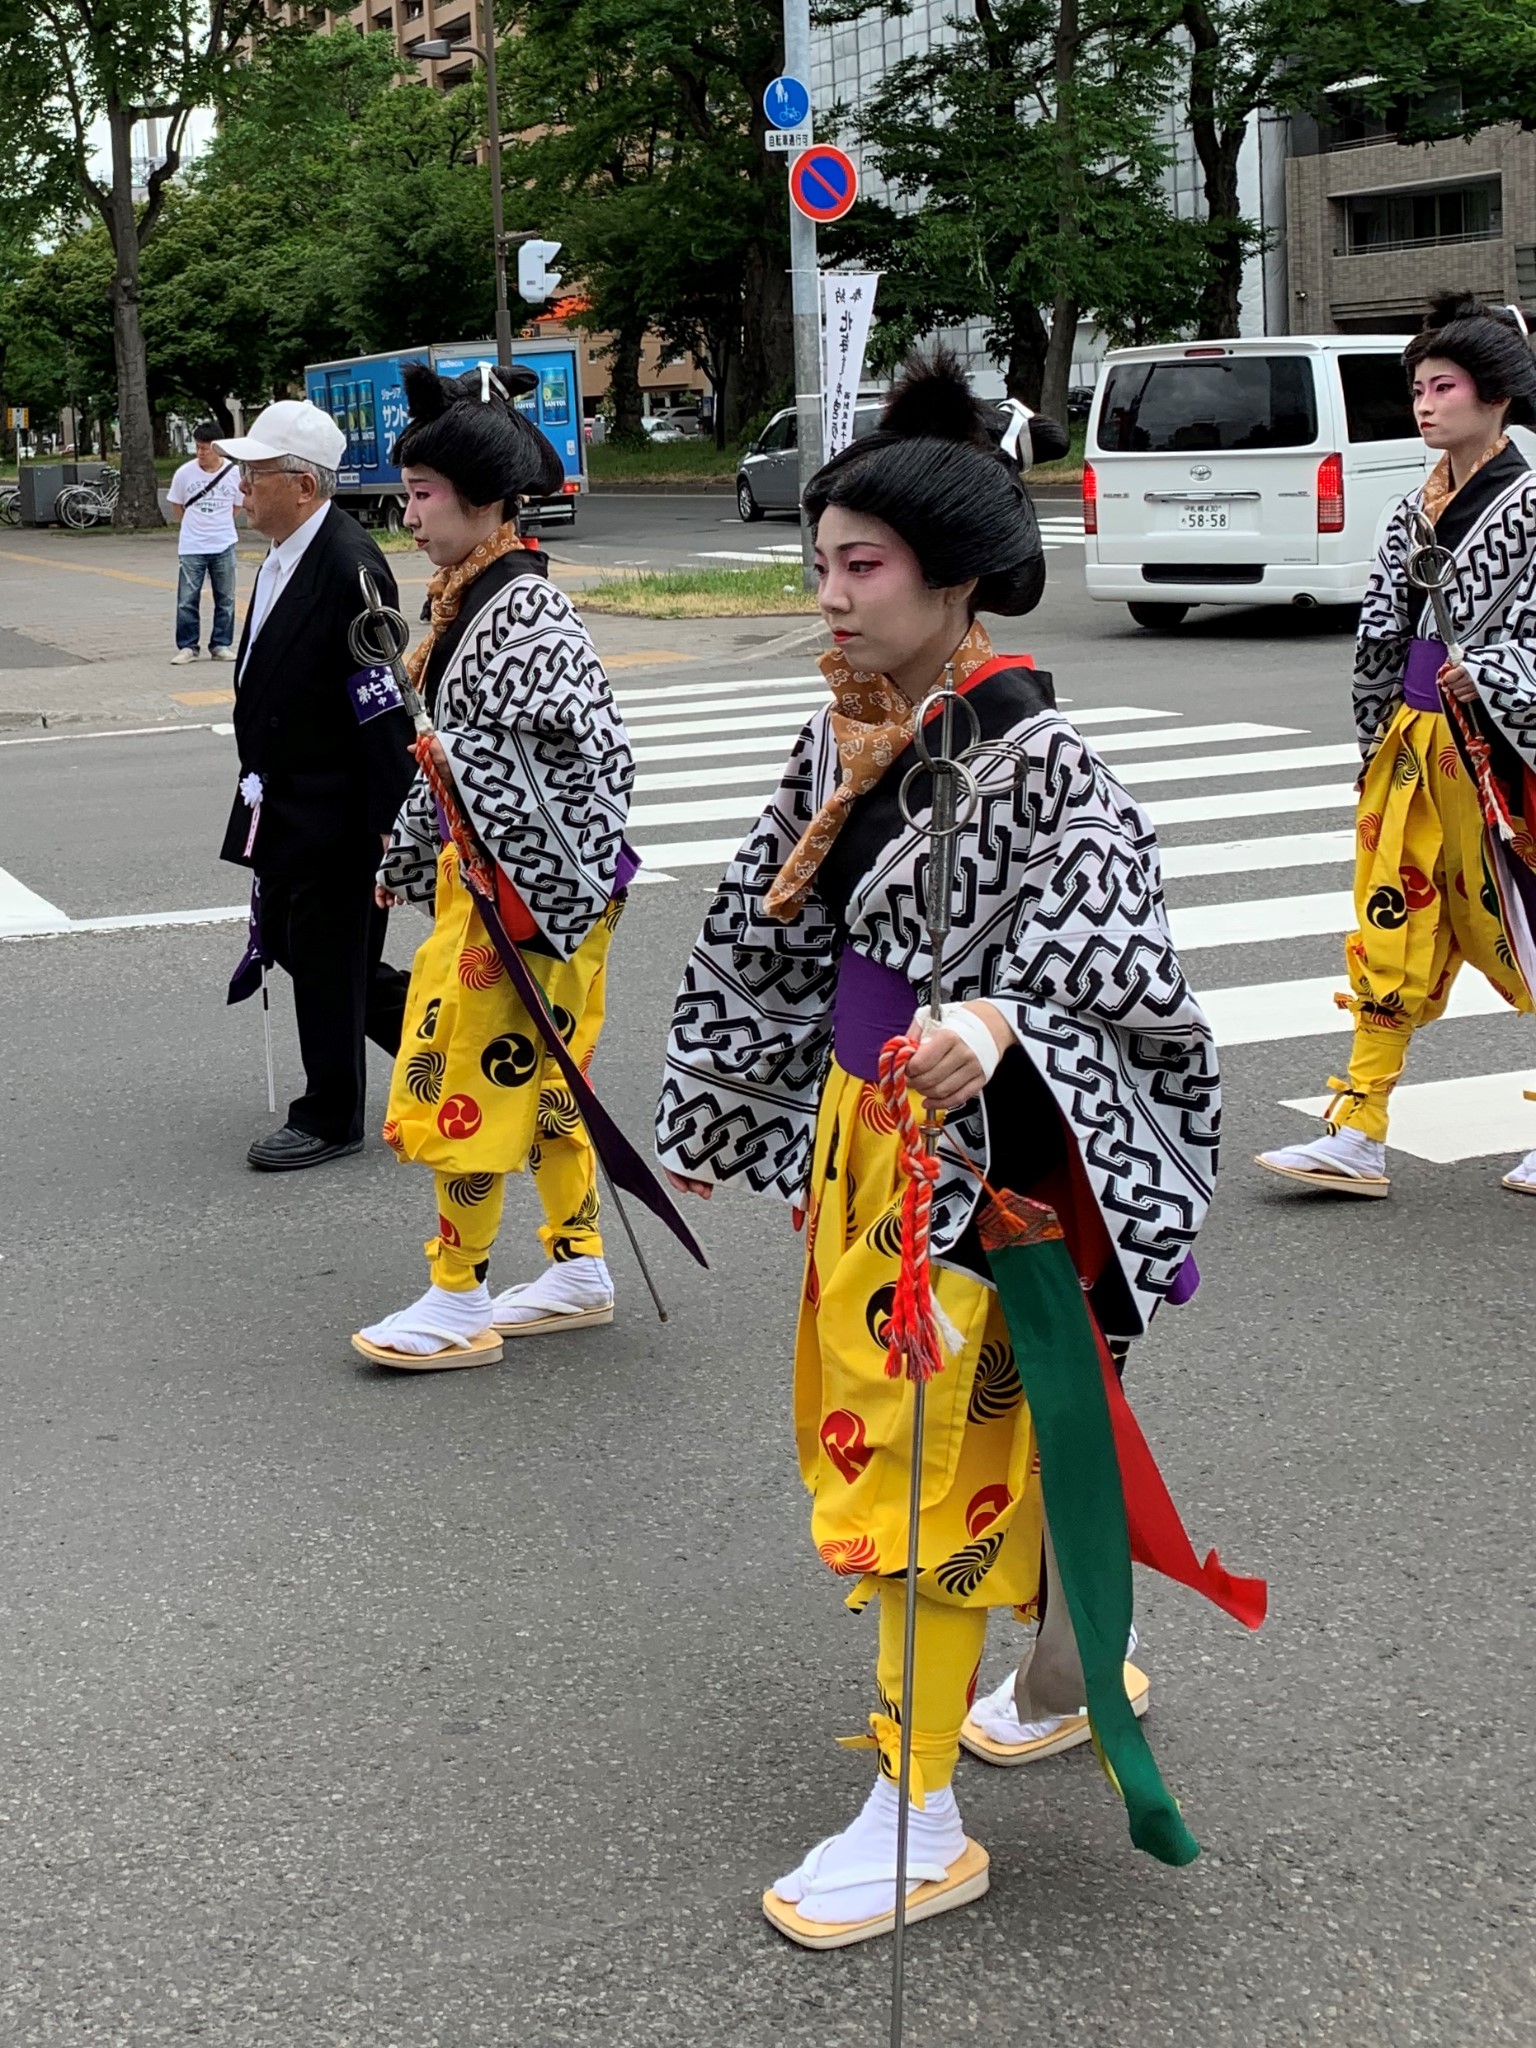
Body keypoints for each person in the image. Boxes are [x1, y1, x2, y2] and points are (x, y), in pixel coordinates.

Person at [656, 353, 1261, 1947]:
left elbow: (1120, 949)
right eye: (821, 565)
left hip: (981, 1170)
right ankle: (1074, 1666)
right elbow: (762, 930)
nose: (832, 596)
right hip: (875, 1149)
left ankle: (918, 1814)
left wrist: (996, 1025)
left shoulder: (1045, 765)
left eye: (861, 567)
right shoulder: (847, 736)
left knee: (921, 1478)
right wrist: (727, 1093)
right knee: (998, 1448)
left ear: (960, 582)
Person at [350, 363, 634, 1370]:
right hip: (523, 889)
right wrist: (412, 840)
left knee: (462, 1081)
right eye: (410, 491)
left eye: (423, 493)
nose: (409, 512)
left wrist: (454, 764)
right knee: (548, 1083)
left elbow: (591, 758)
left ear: (484, 502)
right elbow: (465, 744)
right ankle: (576, 1263)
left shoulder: (523, 612)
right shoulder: (475, 595)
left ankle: (458, 1290)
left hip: (528, 895)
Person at [1257, 295, 1536, 1198]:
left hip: (1500, 749)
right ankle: (1358, 1125)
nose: (1423, 405)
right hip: (1416, 745)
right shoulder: (1410, 506)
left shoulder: (1532, 503)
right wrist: (1374, 728)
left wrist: (1496, 669)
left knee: (1519, 933)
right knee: (1391, 919)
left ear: (1495, 397)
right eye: (1416, 389)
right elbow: (1382, 628)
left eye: (1442, 387)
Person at [215, 400, 416, 1171]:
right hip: (287, 799)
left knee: (327, 954)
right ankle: (437, 1039)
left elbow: (381, 699)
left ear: (302, 484)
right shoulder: (283, 551)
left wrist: (392, 818)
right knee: (311, 949)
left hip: (337, 807)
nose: (241, 488)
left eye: (254, 474)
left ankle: (332, 1113)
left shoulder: (347, 563)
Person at [166, 421, 243, 665]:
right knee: (187, 599)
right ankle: (188, 646)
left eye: (205, 448)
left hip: (224, 543)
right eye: (198, 447)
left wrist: (218, 524)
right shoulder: (185, 473)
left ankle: (221, 643)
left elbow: (237, 505)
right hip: (192, 546)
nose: (200, 452)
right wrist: (193, 526)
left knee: (226, 598)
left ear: (217, 448)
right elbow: (177, 506)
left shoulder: (233, 473)